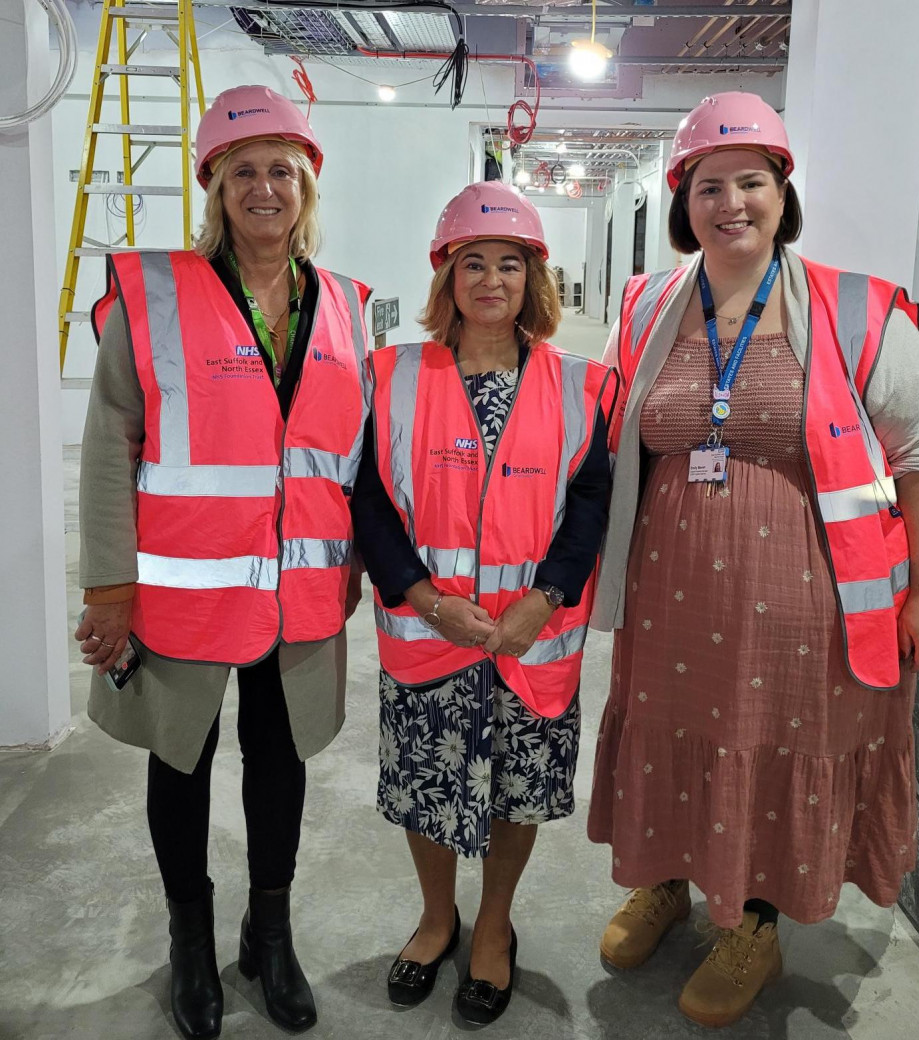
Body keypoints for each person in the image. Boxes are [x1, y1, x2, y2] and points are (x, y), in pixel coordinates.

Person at [587, 92, 919, 1028]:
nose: (731, 203)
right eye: (710, 186)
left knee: (767, 747)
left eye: (752, 181)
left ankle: (751, 919)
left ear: (784, 195)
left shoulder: (856, 308)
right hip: (670, 595)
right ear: (684, 201)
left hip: (804, 605)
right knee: (674, 737)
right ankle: (669, 877)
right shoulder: (649, 304)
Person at [74, 85, 371, 1039]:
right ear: (215, 187)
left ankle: (268, 936)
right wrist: (110, 584)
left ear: (308, 183)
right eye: (242, 171)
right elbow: (111, 437)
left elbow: (352, 454)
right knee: (184, 760)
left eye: (282, 168)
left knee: (278, 764)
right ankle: (190, 944)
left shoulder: (347, 306)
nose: (265, 187)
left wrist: (355, 563)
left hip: (299, 590)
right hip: (184, 592)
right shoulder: (155, 293)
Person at [351, 181, 616, 1025]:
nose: (492, 279)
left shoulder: (585, 385)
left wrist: (546, 599)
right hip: (430, 638)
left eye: (511, 263)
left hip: (530, 643)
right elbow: (368, 503)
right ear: (447, 278)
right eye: (474, 263)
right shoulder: (389, 375)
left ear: (534, 280)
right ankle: (438, 920)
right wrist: (425, 598)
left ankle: (494, 927)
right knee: (427, 786)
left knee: (517, 793)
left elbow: (592, 504)